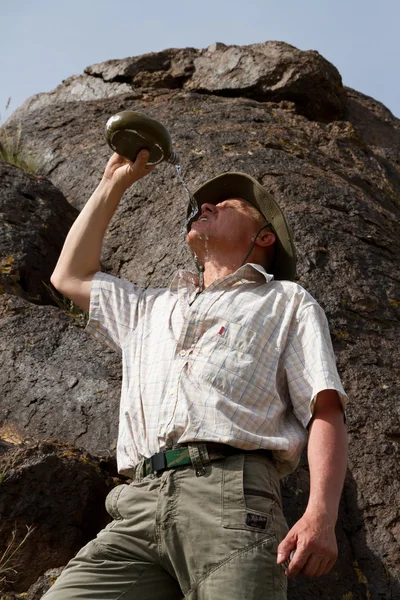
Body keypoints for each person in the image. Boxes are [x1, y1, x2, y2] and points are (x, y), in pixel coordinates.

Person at [46, 150, 348, 600]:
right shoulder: (150, 307)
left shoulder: (286, 301)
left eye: (226, 205)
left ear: (263, 236)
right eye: (204, 204)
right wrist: (114, 183)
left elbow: (324, 409)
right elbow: (69, 276)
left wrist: (321, 513)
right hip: (138, 503)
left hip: (231, 498)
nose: (205, 206)